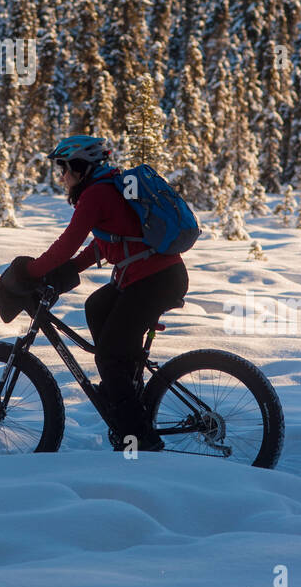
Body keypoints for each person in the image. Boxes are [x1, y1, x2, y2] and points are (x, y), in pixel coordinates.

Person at [18, 135, 189, 450]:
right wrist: (73, 268)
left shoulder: (96, 194)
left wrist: (29, 272)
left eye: (64, 169)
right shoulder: (109, 184)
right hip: (151, 276)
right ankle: (124, 387)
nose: (61, 177)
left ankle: (137, 440)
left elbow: (67, 244)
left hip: (154, 280)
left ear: (80, 167)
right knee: (97, 307)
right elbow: (109, 240)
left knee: (110, 355)